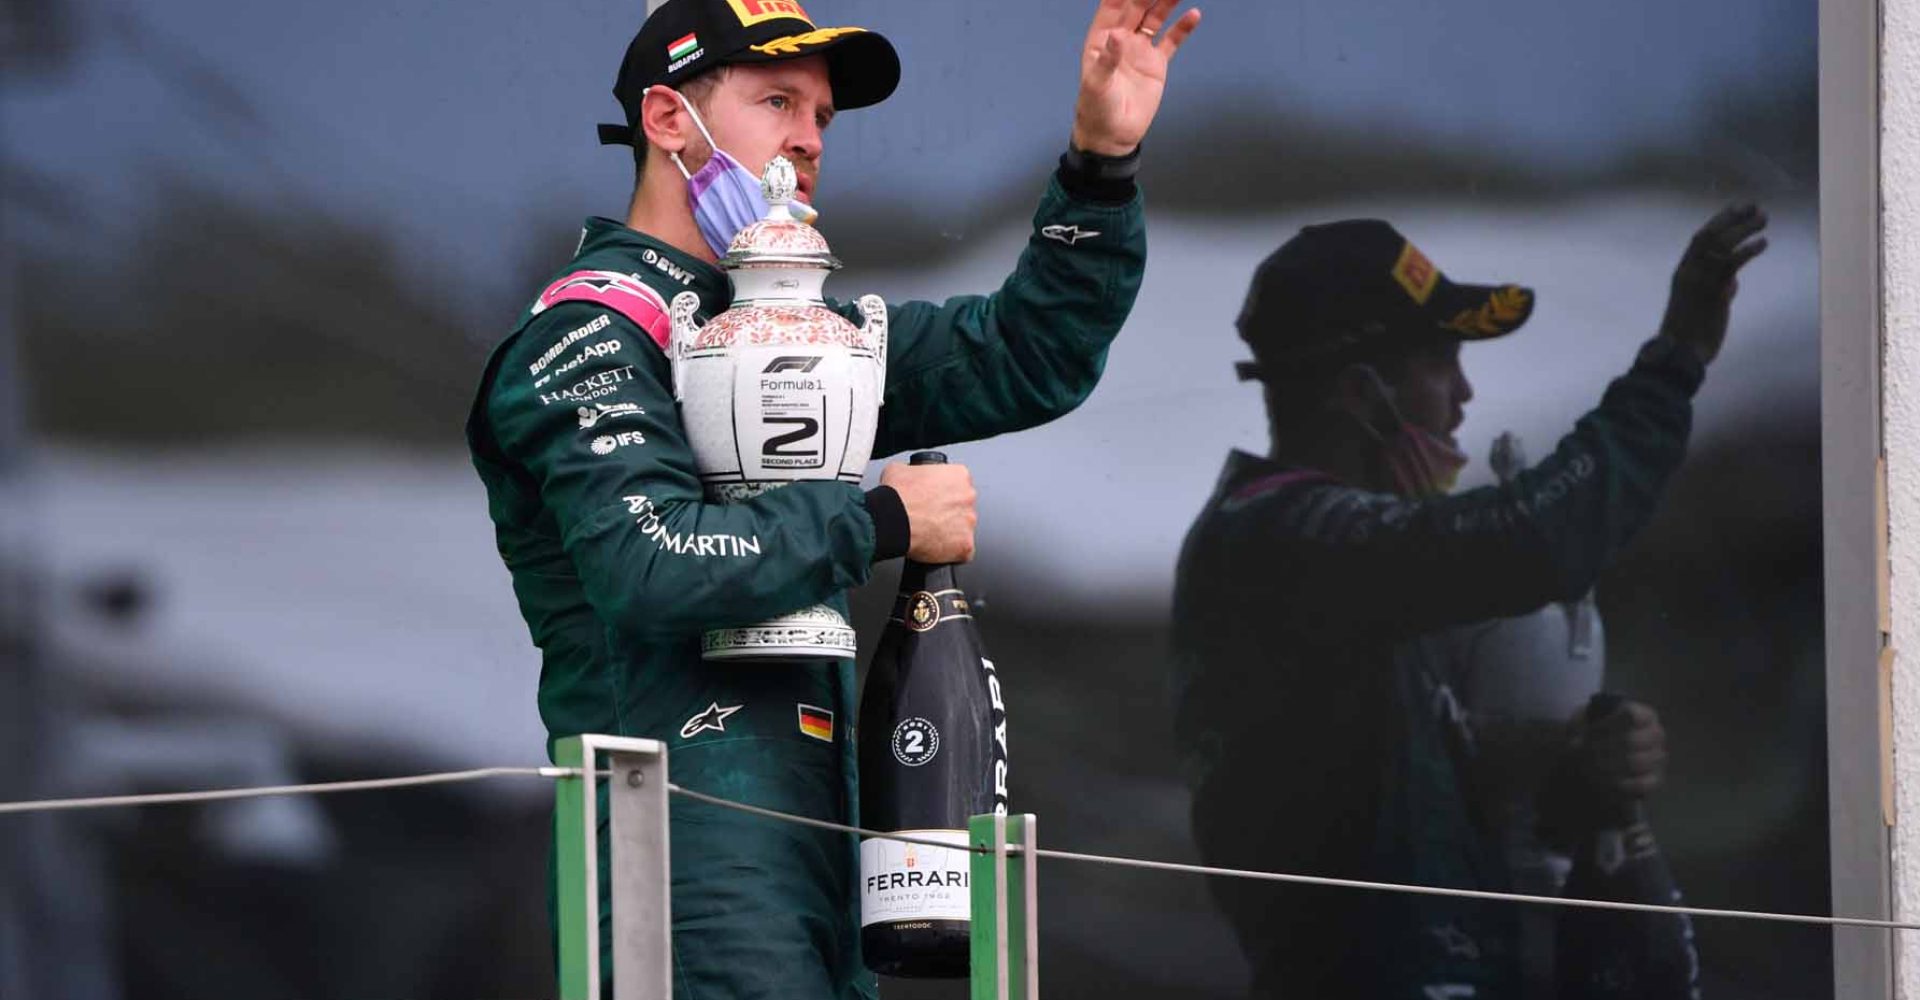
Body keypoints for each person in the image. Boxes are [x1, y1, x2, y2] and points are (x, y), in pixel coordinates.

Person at [465, 0, 1200, 996]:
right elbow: (649, 565)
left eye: (822, 116)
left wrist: (1099, 165)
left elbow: (1027, 353)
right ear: (668, 121)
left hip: (822, 842)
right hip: (675, 851)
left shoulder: (805, 324)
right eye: (777, 101)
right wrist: (884, 520)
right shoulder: (589, 334)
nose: (809, 138)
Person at [1169, 208, 1765, 998]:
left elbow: (1389, 789)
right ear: (1362, 392)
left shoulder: (1333, 558)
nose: (1464, 394)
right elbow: (1535, 539)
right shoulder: (1283, 539)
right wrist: (1676, 360)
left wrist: (1568, 767)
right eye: (1442, 361)